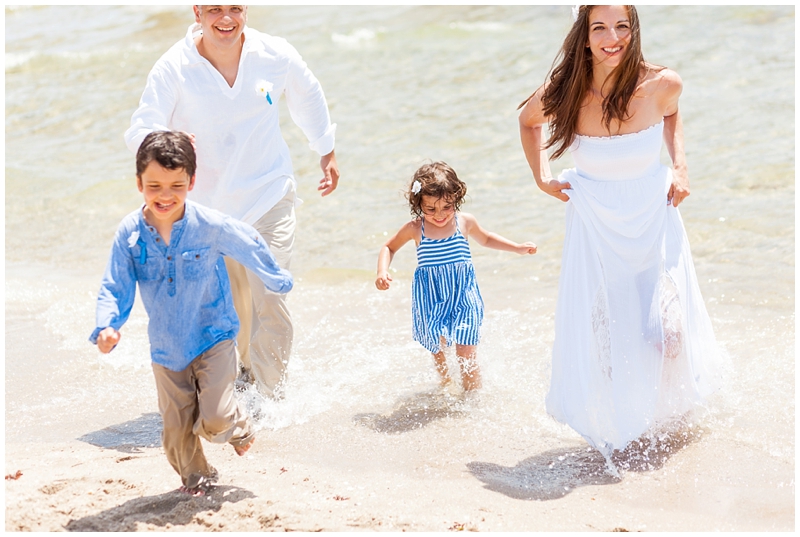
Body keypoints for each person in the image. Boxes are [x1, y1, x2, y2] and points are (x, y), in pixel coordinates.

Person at [518, 5, 722, 461]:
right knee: (610, 337)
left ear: (635, 29)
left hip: (653, 216)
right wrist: (542, 177)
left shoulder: (661, 83)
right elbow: (528, 122)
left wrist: (682, 168)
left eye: (622, 26)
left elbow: (672, 115)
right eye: (600, 28)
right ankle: (621, 424)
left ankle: (670, 421)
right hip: (597, 226)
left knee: (669, 332)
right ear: (584, 35)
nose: (613, 38)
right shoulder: (565, 91)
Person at [124, 5, 339, 399]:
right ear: (197, 13)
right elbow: (141, 127)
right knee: (234, 310)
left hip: (268, 194)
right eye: (214, 9)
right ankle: (242, 379)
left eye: (235, 8)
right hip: (209, 211)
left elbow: (307, 93)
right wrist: (166, 140)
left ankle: (271, 401)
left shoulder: (274, 54)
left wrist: (325, 149)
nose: (226, 18)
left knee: (271, 296)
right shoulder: (175, 66)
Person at [90, 131, 293, 496]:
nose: (164, 195)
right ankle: (199, 478)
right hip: (167, 347)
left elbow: (248, 241)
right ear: (138, 183)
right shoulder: (131, 235)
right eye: (154, 186)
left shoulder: (209, 225)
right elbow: (114, 284)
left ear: (192, 182)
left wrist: (276, 279)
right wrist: (108, 324)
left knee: (215, 417)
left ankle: (238, 423)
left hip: (213, 336)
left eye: (176, 185)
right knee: (175, 435)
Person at [375, 162, 538, 391]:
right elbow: (388, 247)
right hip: (431, 297)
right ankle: (446, 387)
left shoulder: (465, 221)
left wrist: (517, 247)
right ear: (418, 203)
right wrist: (383, 271)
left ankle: (473, 398)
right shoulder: (415, 228)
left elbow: (487, 239)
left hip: (463, 294)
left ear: (456, 198)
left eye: (446, 207)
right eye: (430, 209)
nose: (439, 215)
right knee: (438, 349)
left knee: (466, 349)